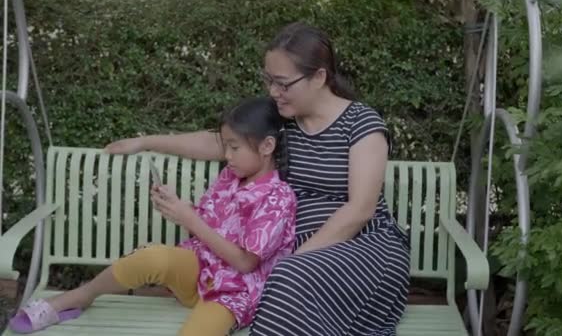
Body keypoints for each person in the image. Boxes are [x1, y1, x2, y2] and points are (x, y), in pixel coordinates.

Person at [106, 22, 410, 335]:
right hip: (294, 252)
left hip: (362, 248)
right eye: (269, 81)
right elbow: (218, 142)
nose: (273, 92)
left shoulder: (362, 124)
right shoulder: (283, 117)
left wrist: (294, 262)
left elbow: (359, 210)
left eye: (283, 83)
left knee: (290, 282)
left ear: (319, 77)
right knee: (286, 284)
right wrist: (145, 142)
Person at [9, 97, 297, 336]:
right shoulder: (230, 177)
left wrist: (189, 219)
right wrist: (177, 207)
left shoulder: (277, 198)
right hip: (200, 269)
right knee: (153, 257)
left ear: (267, 147)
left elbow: (246, 262)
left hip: (234, 294)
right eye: (225, 147)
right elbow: (205, 226)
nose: (228, 156)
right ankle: (76, 298)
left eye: (235, 147)